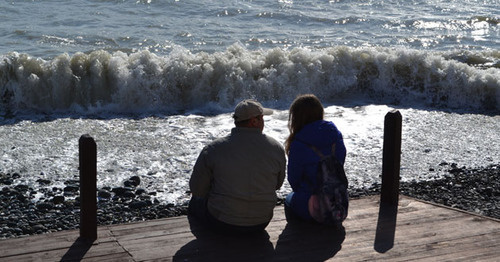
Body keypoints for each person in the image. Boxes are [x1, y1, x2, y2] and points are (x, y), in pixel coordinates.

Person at [189, 99, 286, 234]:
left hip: (223, 222)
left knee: (195, 202)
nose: (264, 122)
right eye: (262, 118)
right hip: (261, 222)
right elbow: (277, 185)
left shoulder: (213, 149)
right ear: (254, 121)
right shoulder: (276, 148)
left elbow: (197, 189)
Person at [284, 94, 347, 223]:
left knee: (288, 200)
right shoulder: (336, 135)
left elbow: (294, 180)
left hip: (312, 207)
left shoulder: (299, 142)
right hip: (339, 203)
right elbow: (339, 163)